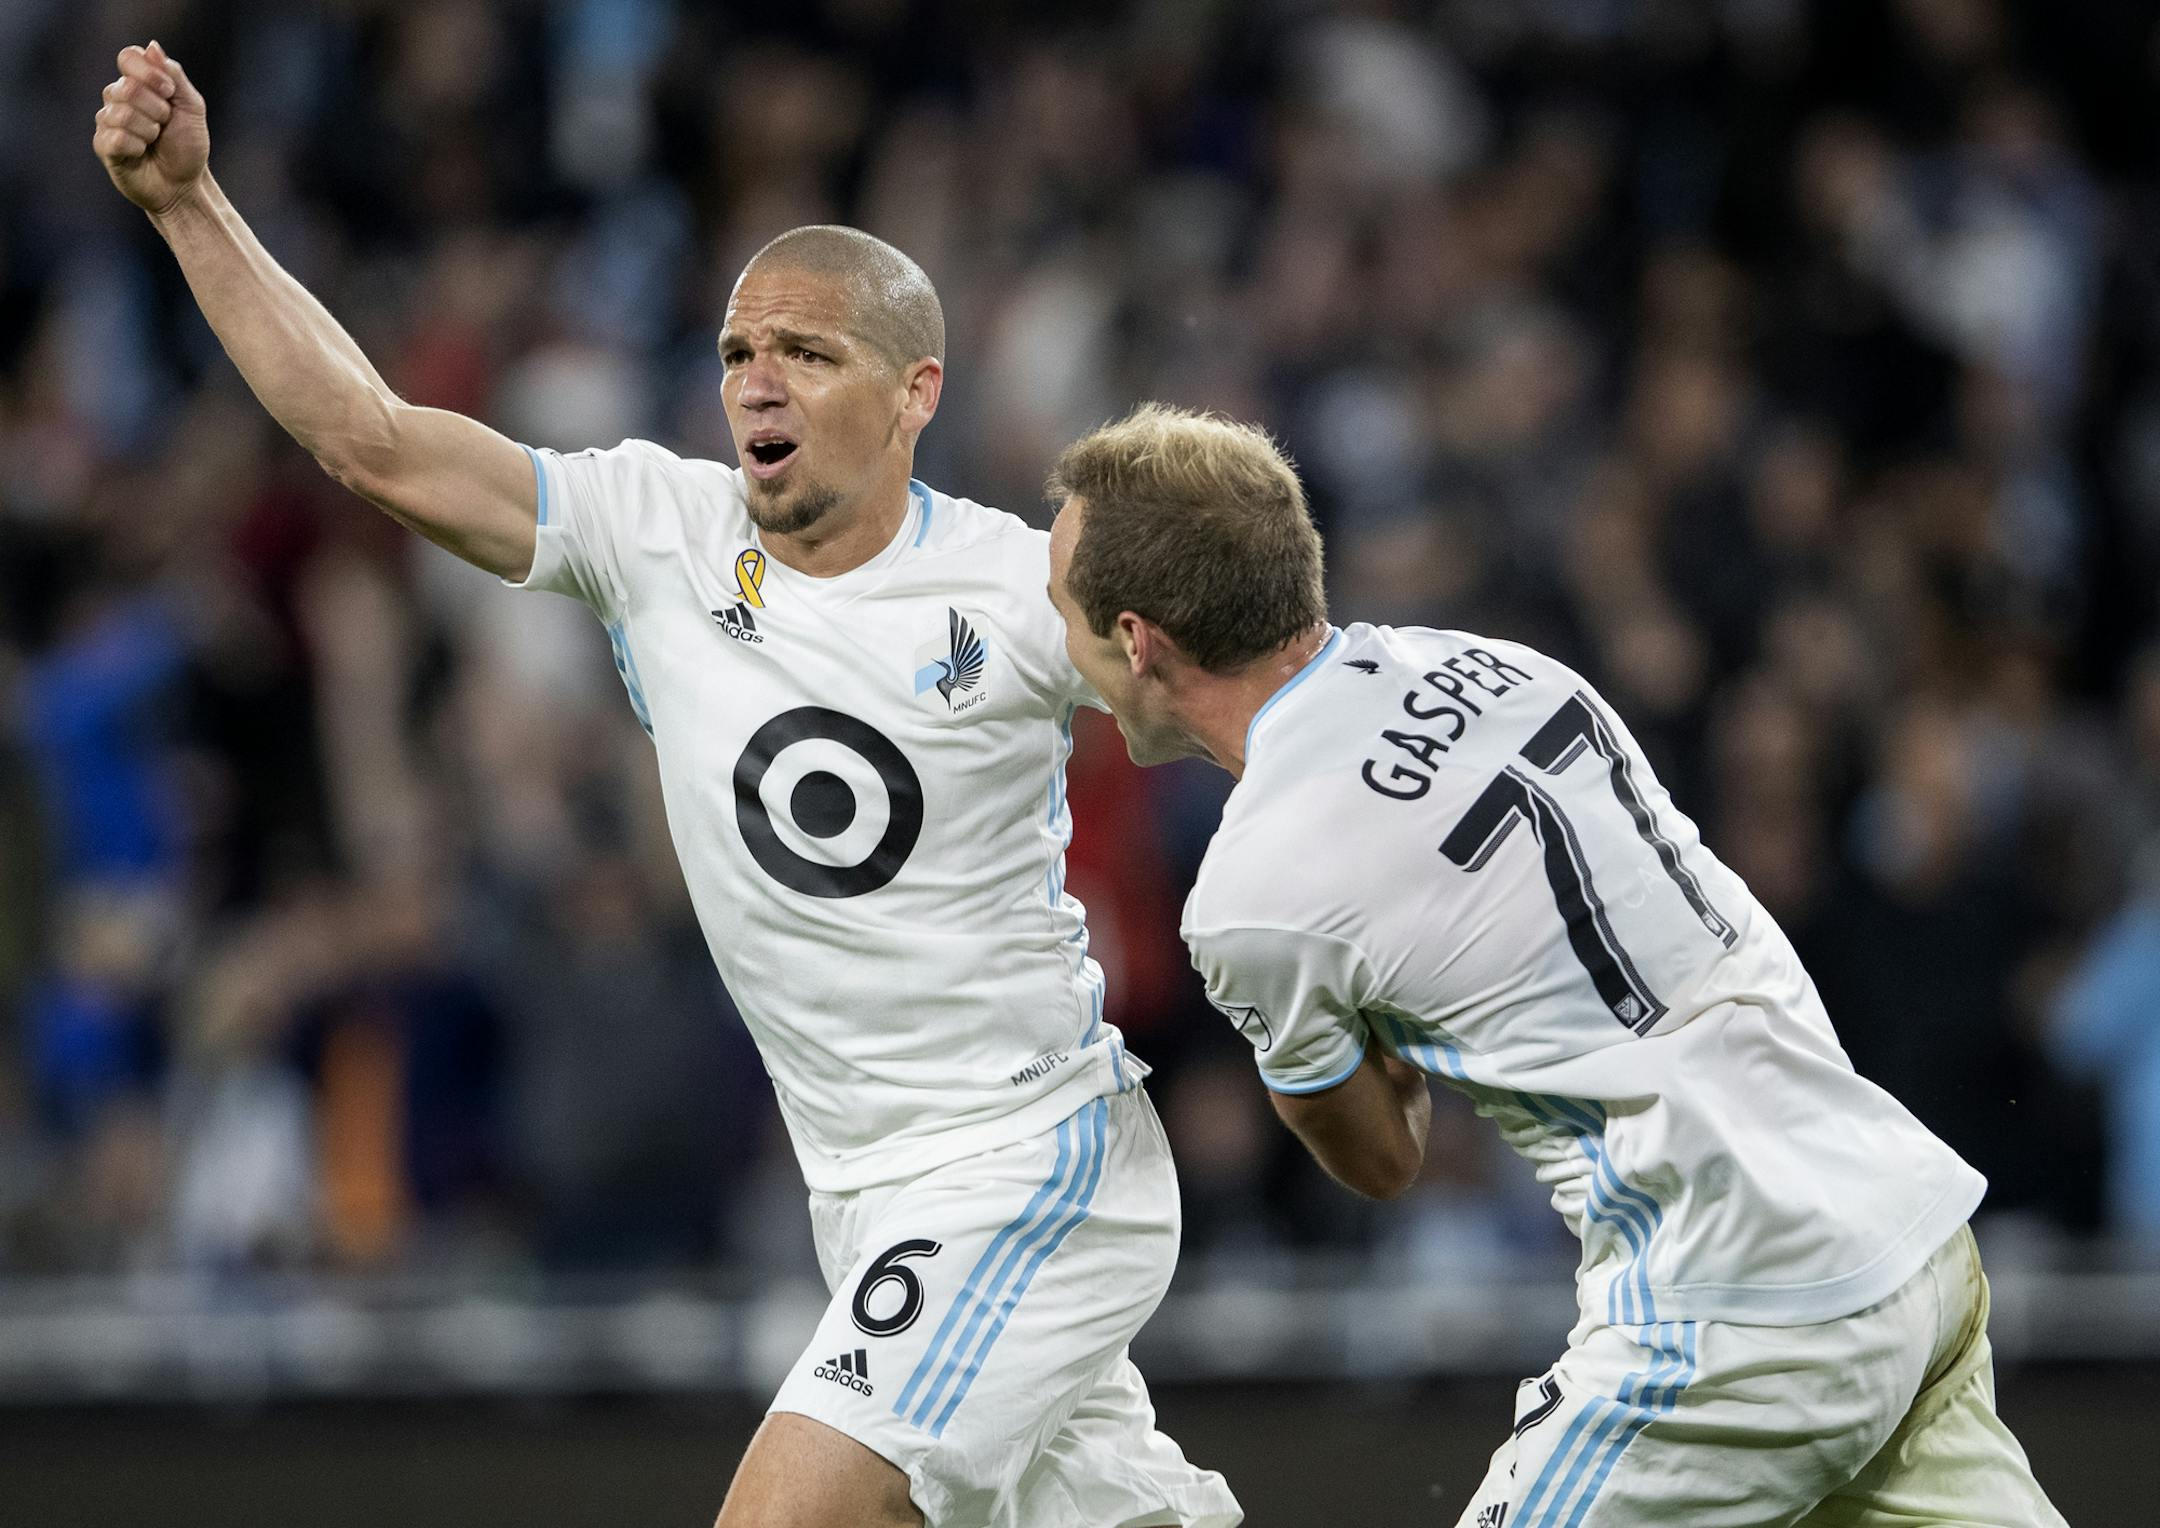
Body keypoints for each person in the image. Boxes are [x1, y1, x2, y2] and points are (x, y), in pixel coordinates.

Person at [93, 42, 1239, 1528]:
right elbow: (368, 440)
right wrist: (192, 210)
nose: (756, 382)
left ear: (914, 395)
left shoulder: (1021, 592)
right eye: (737, 351)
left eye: (806, 354)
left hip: (1019, 1165)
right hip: (865, 1189)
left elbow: (1227, 717)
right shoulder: (656, 531)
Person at [1042, 403, 2067, 1528]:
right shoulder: (1510, 667)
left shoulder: (1253, 891)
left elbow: (1384, 1157)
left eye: (1064, 613)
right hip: (1901, 1223)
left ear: (1137, 641)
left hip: (1730, 1307)